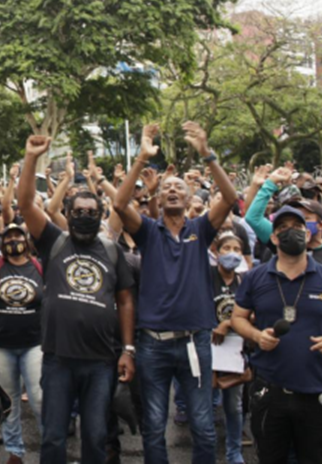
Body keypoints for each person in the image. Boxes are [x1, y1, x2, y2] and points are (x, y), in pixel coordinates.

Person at [114, 121, 238, 464]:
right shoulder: (148, 232)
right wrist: (140, 159)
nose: (172, 190)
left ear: (188, 198)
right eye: (166, 187)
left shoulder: (201, 227)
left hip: (195, 340)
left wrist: (206, 153)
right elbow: (121, 205)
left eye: (178, 187)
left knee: (202, 424)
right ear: (158, 195)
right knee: (154, 425)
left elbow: (230, 198)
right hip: (152, 343)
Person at [18, 135, 135, 464]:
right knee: (54, 436)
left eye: (92, 211)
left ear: (101, 214)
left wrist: (128, 350)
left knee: (96, 437)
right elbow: (26, 204)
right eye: (78, 211)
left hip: (100, 362)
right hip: (58, 359)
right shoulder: (54, 241)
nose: (85, 215)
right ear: (66, 214)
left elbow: (125, 300)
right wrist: (31, 158)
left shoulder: (111, 250)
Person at [232, 206, 322, 463]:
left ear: (307, 234)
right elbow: (237, 318)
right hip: (270, 391)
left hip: (316, 391)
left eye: (296, 226)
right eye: (282, 228)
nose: (289, 232)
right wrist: (257, 335)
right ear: (273, 237)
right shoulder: (255, 277)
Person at [0, 223, 44, 464]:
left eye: (18, 236)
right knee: (9, 401)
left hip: (34, 343)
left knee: (39, 399)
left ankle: (49, 446)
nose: (13, 241)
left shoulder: (39, 266)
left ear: (27, 240)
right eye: (8, 238)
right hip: (0, 344)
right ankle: (15, 451)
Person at [209, 231, 246, 464]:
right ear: (216, 251)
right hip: (208, 347)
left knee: (233, 405)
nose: (231, 254)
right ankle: (207, 451)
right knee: (204, 405)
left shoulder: (245, 281)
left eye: (236, 250)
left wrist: (228, 323)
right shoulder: (206, 276)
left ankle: (234, 452)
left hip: (234, 351)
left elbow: (252, 312)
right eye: (226, 248)